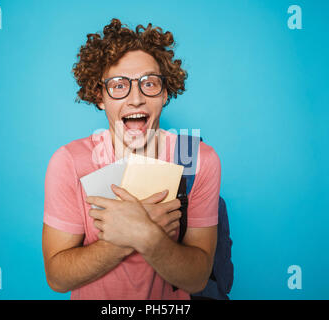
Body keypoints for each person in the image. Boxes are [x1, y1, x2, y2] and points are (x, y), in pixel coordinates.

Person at [42, 18, 221, 300]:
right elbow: (57, 277)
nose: (135, 98)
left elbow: (198, 279)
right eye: (118, 85)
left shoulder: (198, 160)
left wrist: (148, 237)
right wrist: (128, 237)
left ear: (164, 93)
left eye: (149, 83)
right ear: (100, 96)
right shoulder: (69, 162)